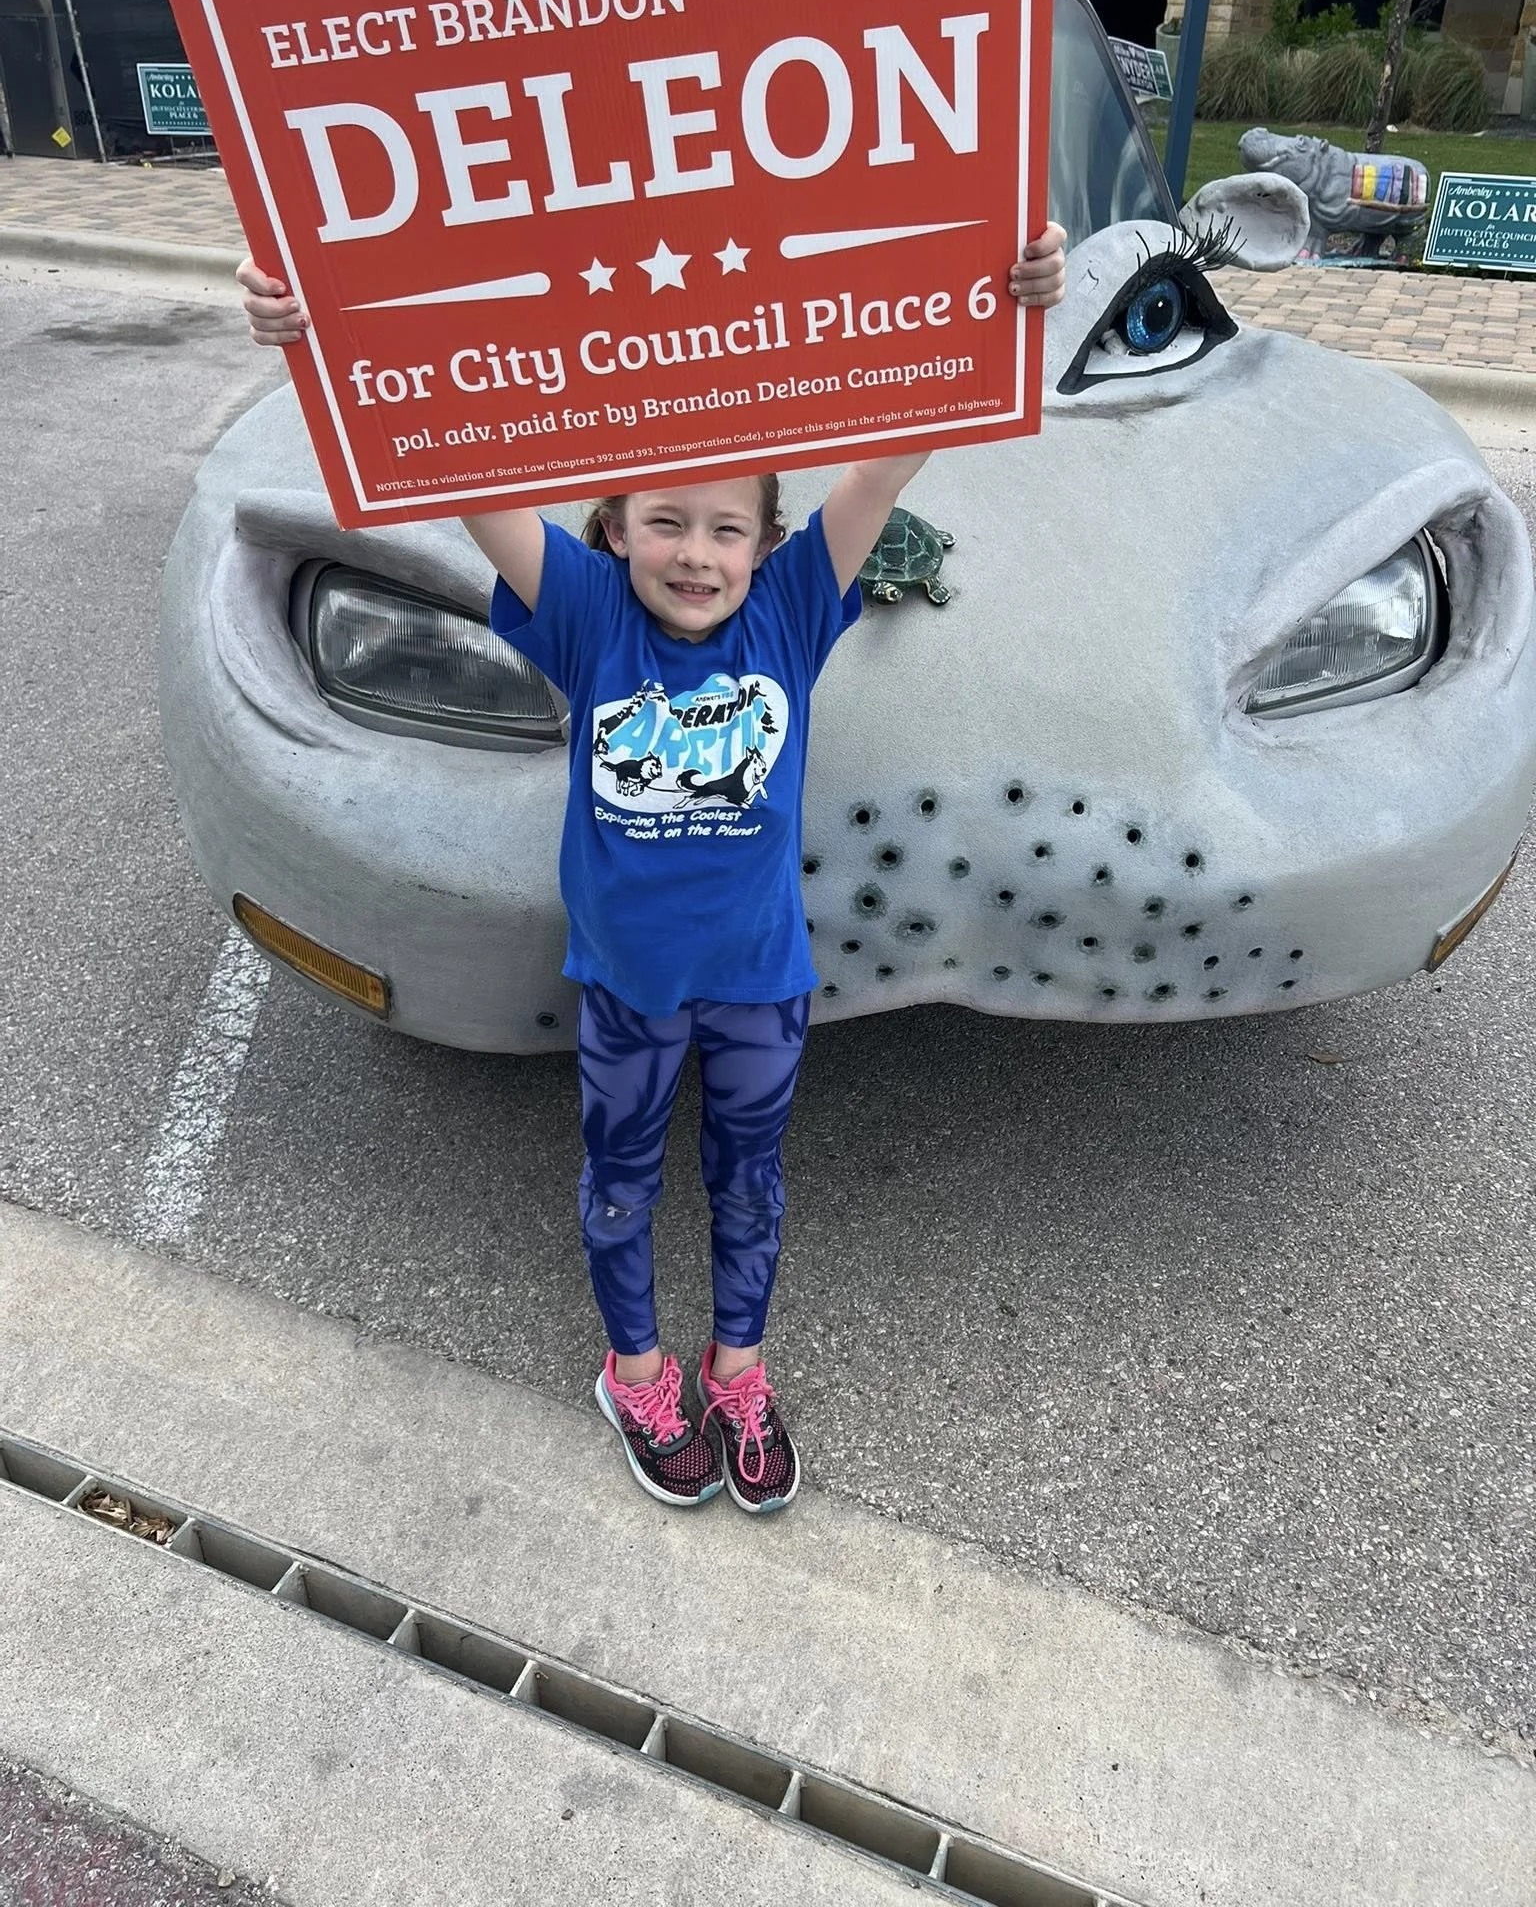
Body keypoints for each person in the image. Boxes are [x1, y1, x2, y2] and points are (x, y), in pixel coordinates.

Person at [237, 223, 1067, 1514]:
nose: (696, 553)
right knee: (621, 1184)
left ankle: (739, 1363)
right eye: (666, 522)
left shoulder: (795, 610)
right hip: (626, 989)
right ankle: (634, 1369)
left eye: (727, 528)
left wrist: (1008, 315)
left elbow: (888, 468)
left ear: (765, 540)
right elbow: (441, 465)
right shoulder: (584, 614)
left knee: (750, 1177)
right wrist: (318, 343)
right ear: (614, 530)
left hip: (760, 986)